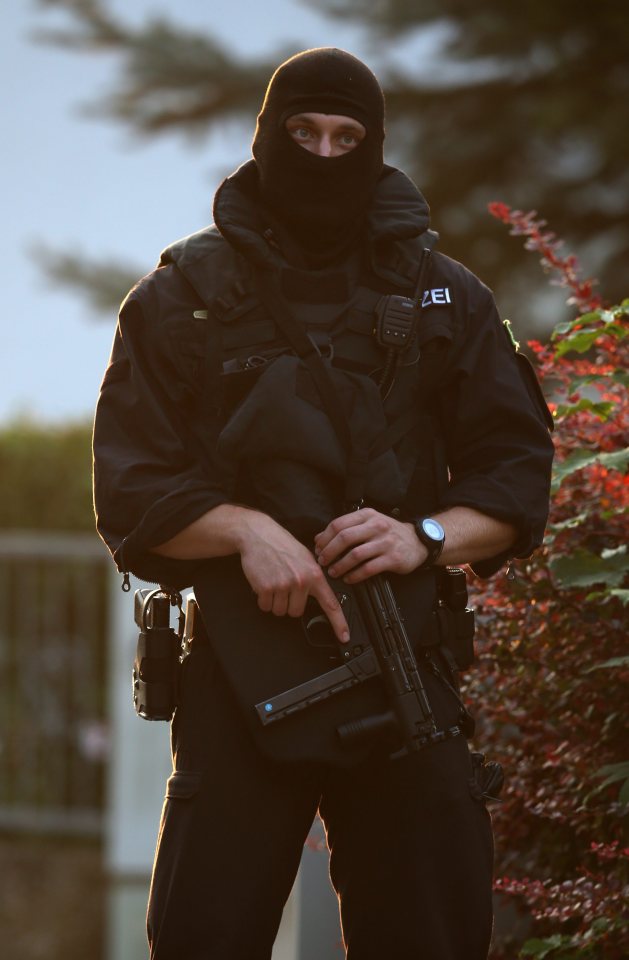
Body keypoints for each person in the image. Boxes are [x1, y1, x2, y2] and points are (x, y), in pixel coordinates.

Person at [93, 47, 554, 960]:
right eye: (302, 133)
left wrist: (420, 535)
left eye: (347, 137)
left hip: (407, 665)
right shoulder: (183, 296)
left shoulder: (443, 299)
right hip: (236, 671)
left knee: (430, 935)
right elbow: (130, 485)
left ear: (376, 147)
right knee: (204, 935)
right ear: (266, 138)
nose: (323, 153)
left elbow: (515, 472)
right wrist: (247, 530)